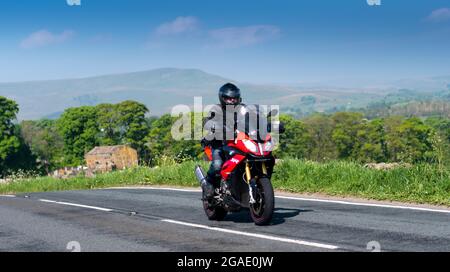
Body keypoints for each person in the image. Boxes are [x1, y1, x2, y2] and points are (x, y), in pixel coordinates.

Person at [200, 83, 243, 199]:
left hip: (239, 143)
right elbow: (207, 121)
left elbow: (255, 118)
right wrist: (213, 126)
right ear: (222, 98)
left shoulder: (243, 109)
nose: (232, 101)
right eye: (229, 98)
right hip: (219, 144)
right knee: (218, 165)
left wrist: (264, 124)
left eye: (234, 98)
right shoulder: (216, 109)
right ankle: (208, 183)